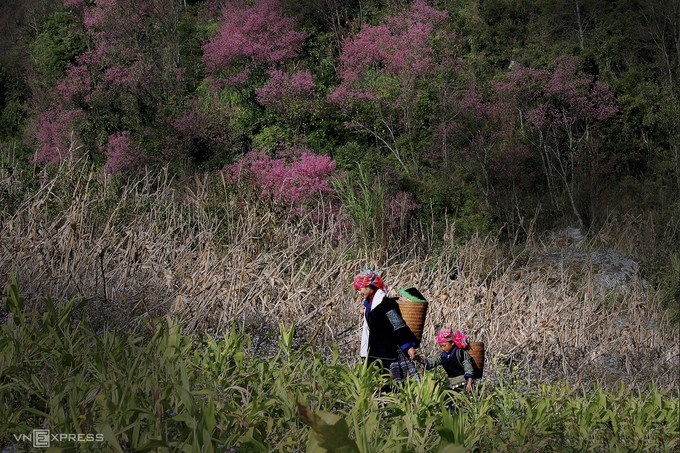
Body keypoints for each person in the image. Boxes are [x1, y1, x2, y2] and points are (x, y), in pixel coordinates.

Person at [354, 269, 419, 384]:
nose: (359, 292)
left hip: (388, 356)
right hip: (373, 355)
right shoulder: (369, 305)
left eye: (361, 288)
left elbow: (398, 326)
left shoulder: (386, 304)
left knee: (391, 389)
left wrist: (409, 347)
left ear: (370, 285)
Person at [422, 327, 474, 393]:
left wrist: (469, 383)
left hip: (463, 384)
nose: (443, 348)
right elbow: (431, 362)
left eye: (444, 345)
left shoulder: (460, 353)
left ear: (452, 343)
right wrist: (419, 359)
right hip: (451, 385)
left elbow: (468, 368)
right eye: (441, 346)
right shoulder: (442, 356)